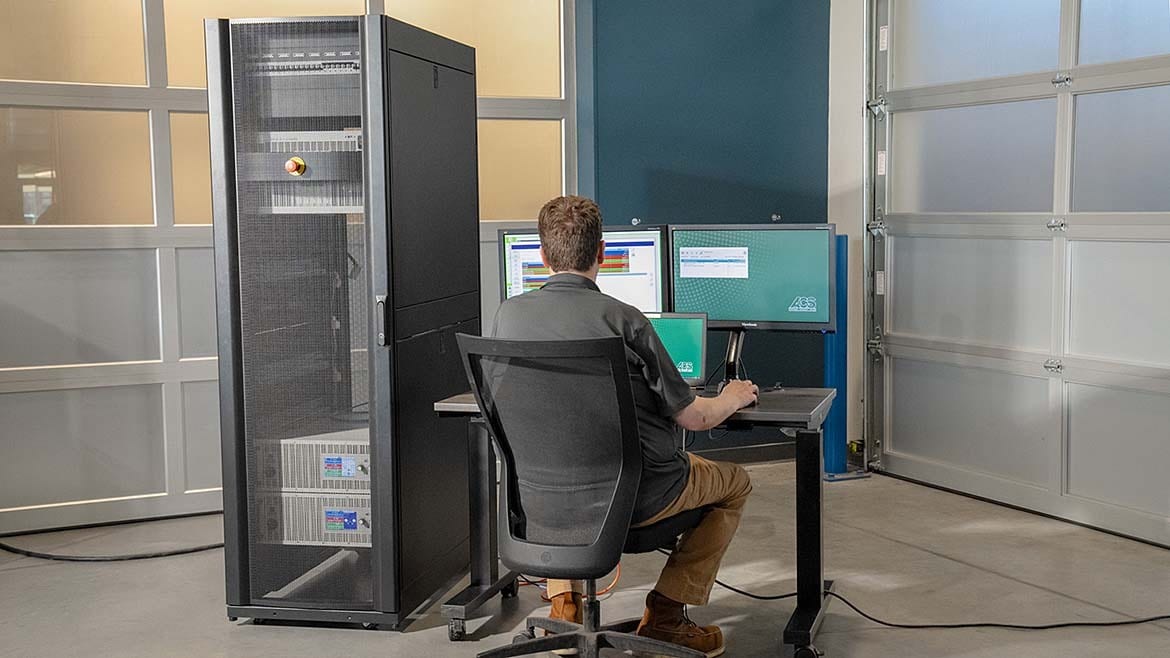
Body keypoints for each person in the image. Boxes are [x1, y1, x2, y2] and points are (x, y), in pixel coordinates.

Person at [491, 195, 758, 657]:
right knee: (734, 483)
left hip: (538, 506)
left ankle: (564, 609)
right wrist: (731, 398)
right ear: (600, 254)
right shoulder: (623, 319)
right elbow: (693, 416)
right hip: (638, 502)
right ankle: (667, 618)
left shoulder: (506, 316)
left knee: (566, 459)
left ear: (541, 254)